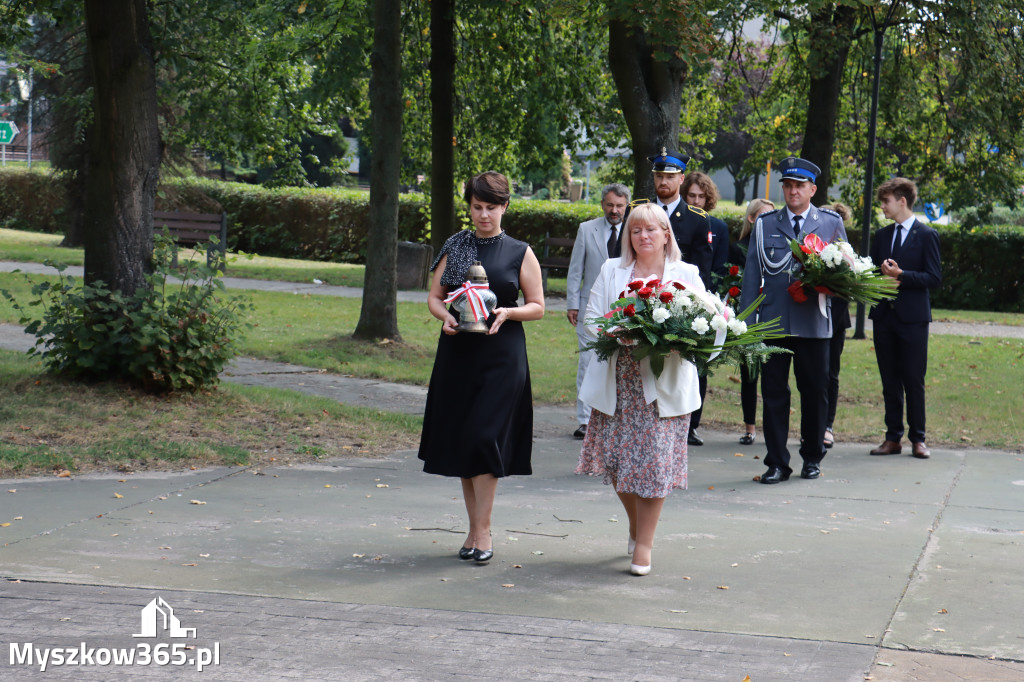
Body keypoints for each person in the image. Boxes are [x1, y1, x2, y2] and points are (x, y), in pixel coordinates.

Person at [418, 171, 545, 563]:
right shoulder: (456, 245)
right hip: (458, 355)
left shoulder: (520, 251)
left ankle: (482, 531)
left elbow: (538, 306)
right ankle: (474, 529)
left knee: (484, 436)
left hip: (502, 356)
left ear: (505, 207)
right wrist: (444, 318)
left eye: (491, 208)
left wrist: (509, 311)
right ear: (469, 206)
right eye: (477, 207)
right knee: (464, 440)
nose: (484, 215)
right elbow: (435, 297)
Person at [576, 202, 704, 576]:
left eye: (651, 229)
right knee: (617, 464)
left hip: (666, 385)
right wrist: (620, 333)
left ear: (667, 235)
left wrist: (678, 340)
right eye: (636, 230)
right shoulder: (611, 270)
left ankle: (643, 544)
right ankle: (635, 525)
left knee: (655, 466)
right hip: (619, 382)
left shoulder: (687, 273)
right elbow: (592, 320)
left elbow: (705, 325)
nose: (643, 236)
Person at [739, 157, 847, 484]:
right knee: (773, 393)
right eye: (787, 185)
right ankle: (776, 462)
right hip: (773, 322)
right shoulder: (766, 224)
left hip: (814, 322)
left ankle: (812, 457)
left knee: (814, 393)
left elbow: (845, 273)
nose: (792, 191)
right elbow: (752, 275)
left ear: (812, 189)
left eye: (799, 186)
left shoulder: (829, 223)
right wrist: (746, 321)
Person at [868, 177, 942, 460]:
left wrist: (902, 276)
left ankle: (918, 439)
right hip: (884, 317)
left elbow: (934, 278)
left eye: (886, 201)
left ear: (902, 201)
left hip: (913, 319)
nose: (882, 207)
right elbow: (872, 270)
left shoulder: (926, 235)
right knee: (889, 380)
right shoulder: (882, 236)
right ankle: (892, 437)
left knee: (913, 379)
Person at [566, 183, 631, 440]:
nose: (614, 210)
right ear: (602, 204)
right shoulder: (586, 229)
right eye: (610, 205)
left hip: (624, 309)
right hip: (589, 307)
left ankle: (615, 416)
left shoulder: (633, 230)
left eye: (619, 206)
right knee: (587, 362)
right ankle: (585, 420)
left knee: (621, 364)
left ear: (626, 206)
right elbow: (575, 270)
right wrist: (572, 303)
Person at [680, 171, 730, 446]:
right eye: (692, 196)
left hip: (706, 301)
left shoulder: (719, 228)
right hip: (675, 298)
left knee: (700, 363)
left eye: (701, 196)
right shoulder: (675, 223)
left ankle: (692, 424)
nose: (696, 201)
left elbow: (720, 268)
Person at [733, 198, 776, 445]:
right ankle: (750, 427)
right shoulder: (738, 248)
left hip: (772, 317)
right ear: (751, 218)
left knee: (773, 377)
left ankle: (772, 427)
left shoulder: (777, 245)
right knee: (750, 374)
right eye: (762, 216)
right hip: (748, 318)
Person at [647, 148, 713, 288]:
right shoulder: (638, 211)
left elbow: (702, 271)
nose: (663, 182)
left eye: (670, 177)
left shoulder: (697, 219)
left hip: (680, 296)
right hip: (641, 293)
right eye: (659, 176)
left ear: (681, 179)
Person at [821, 202, 854, 450]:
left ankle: (827, 426)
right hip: (810, 319)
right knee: (813, 376)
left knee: (831, 373)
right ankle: (813, 424)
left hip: (836, 320)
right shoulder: (810, 246)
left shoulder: (844, 251)